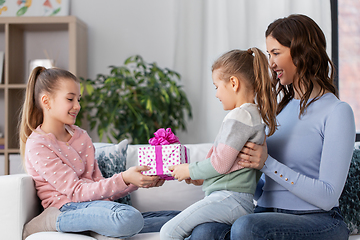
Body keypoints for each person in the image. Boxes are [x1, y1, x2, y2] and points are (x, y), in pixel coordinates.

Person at [189, 14, 356, 240]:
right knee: (205, 231)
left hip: (317, 219)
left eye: (276, 53)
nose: (271, 64)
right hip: (263, 213)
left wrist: (267, 163)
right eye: (269, 54)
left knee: (246, 228)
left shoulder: (337, 112)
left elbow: (327, 196)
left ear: (302, 51)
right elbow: (260, 186)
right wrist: (219, 175)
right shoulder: (276, 110)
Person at [19, 67, 179, 240]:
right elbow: (77, 192)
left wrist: (136, 181)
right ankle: (53, 221)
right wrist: (124, 178)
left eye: (78, 99)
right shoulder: (38, 144)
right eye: (70, 99)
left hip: (98, 206)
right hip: (66, 208)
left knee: (182, 218)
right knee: (128, 218)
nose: (77, 106)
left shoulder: (81, 136)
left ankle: (99, 227)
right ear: (46, 101)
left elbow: (100, 186)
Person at [159, 47, 278, 240]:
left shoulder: (239, 115)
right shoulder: (253, 116)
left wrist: (189, 169)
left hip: (229, 199)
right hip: (236, 199)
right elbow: (232, 166)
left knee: (169, 232)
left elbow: (220, 163)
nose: (216, 94)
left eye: (216, 86)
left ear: (233, 83)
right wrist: (201, 178)